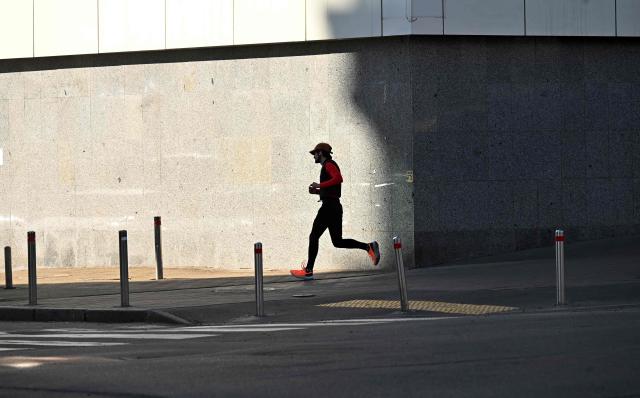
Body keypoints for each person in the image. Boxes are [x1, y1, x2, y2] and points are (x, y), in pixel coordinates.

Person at [290, 143, 380, 280]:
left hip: (329, 207)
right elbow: (332, 189)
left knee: (314, 236)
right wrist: (318, 192)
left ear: (320, 153)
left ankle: (308, 270)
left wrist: (319, 185)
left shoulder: (329, 164)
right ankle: (368, 247)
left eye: (315, 153)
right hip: (334, 206)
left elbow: (338, 178)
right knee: (337, 241)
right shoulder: (328, 166)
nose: (313, 156)